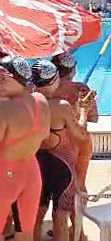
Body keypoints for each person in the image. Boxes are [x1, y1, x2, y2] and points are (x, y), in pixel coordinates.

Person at [31, 60, 93, 241]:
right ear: (54, 80)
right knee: (60, 216)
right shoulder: (61, 107)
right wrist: (82, 110)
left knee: (36, 215)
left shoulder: (27, 102)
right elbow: (81, 134)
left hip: (36, 164)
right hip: (61, 167)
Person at [0, 56, 51, 240]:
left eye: (3, 77)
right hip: (31, 172)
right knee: (25, 233)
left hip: (5, 174)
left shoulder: (4, 107)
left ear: (18, 79)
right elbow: (44, 136)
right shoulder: (41, 101)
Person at [51, 52, 98, 192]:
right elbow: (94, 117)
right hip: (81, 142)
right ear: (73, 70)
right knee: (80, 183)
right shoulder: (81, 88)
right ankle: (78, 214)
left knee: (57, 188)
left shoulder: (46, 91)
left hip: (55, 142)